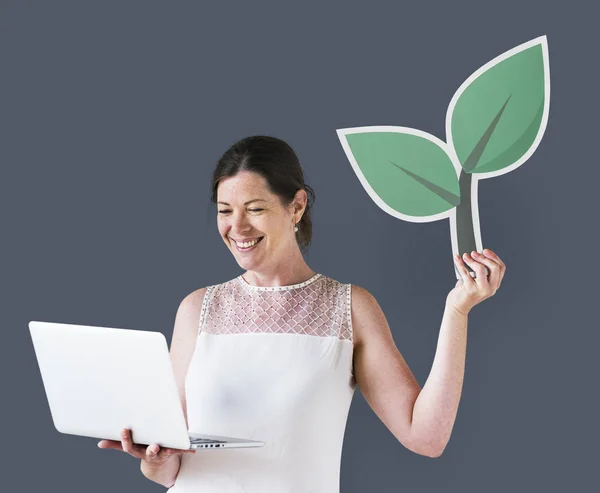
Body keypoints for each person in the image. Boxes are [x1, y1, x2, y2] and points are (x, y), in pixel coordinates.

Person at [98, 135, 506, 491]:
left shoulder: (349, 307)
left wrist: (457, 312)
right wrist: (153, 460)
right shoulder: (196, 309)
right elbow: (172, 469)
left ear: (296, 206)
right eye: (224, 210)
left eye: (254, 208)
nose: (236, 227)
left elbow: (427, 437)